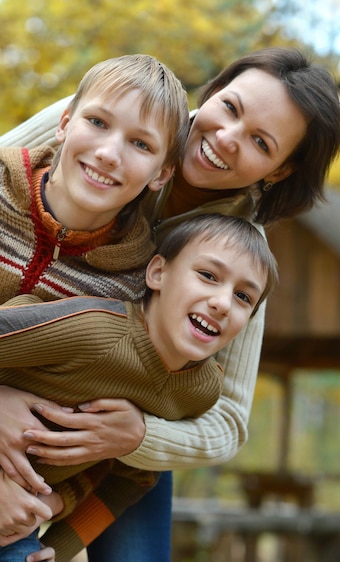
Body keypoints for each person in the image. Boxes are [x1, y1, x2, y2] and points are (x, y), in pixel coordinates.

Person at [0, 46, 340, 562]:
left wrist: (135, 435)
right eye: (230, 107)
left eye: (259, 142)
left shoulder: (240, 260)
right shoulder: (114, 118)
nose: (226, 138)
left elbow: (225, 418)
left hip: (120, 415)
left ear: (278, 170)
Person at [0, 51, 189, 562]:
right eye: (98, 122)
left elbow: (114, 457)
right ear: (64, 123)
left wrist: (53, 515)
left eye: (140, 144)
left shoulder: (135, 286)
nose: (109, 153)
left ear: (161, 173)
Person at [0, 213, 278, 561]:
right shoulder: (92, 331)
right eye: (208, 276)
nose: (222, 303)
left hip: (13, 528)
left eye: (243, 297)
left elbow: (129, 478)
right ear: (158, 273)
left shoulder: (198, 392)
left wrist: (59, 546)